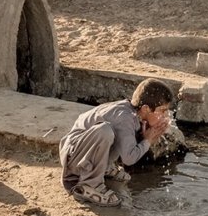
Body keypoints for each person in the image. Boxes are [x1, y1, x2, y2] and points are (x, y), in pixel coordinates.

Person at [59, 78, 174, 207]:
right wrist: (148, 140)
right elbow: (129, 158)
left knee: (114, 134)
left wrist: (142, 135)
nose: (165, 116)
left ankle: (104, 166)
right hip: (74, 158)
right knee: (105, 131)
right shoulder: (124, 118)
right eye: (163, 111)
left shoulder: (133, 113)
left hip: (82, 151)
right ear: (146, 108)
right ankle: (89, 184)